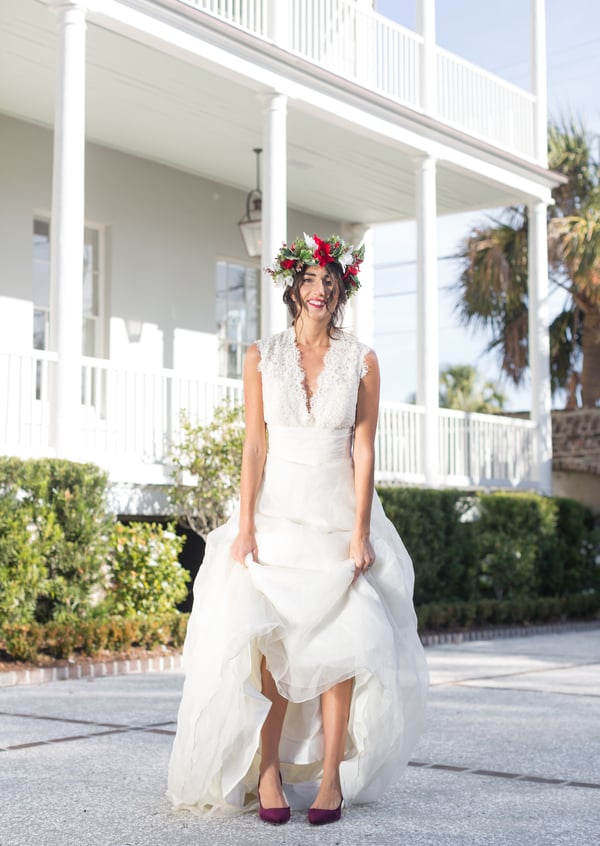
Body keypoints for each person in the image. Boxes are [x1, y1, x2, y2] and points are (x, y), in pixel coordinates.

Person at [167, 233, 428, 825]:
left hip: (337, 515)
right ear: (293, 287)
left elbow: (363, 448)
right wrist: (245, 523)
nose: (319, 290)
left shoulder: (363, 360)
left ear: (341, 293)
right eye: (309, 280)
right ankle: (268, 773)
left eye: (329, 283)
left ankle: (331, 778)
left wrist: (360, 532)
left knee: (345, 642)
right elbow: (253, 445)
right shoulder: (261, 355)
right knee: (271, 644)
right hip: (277, 513)